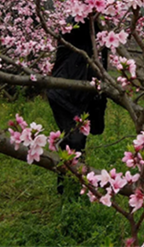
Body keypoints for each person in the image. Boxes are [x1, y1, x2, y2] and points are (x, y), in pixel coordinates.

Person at [46, 18, 108, 193]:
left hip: (82, 92)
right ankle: (67, 189)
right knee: (74, 140)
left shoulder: (98, 29)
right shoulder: (76, 23)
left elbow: (102, 60)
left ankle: (72, 185)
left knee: (78, 140)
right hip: (65, 91)